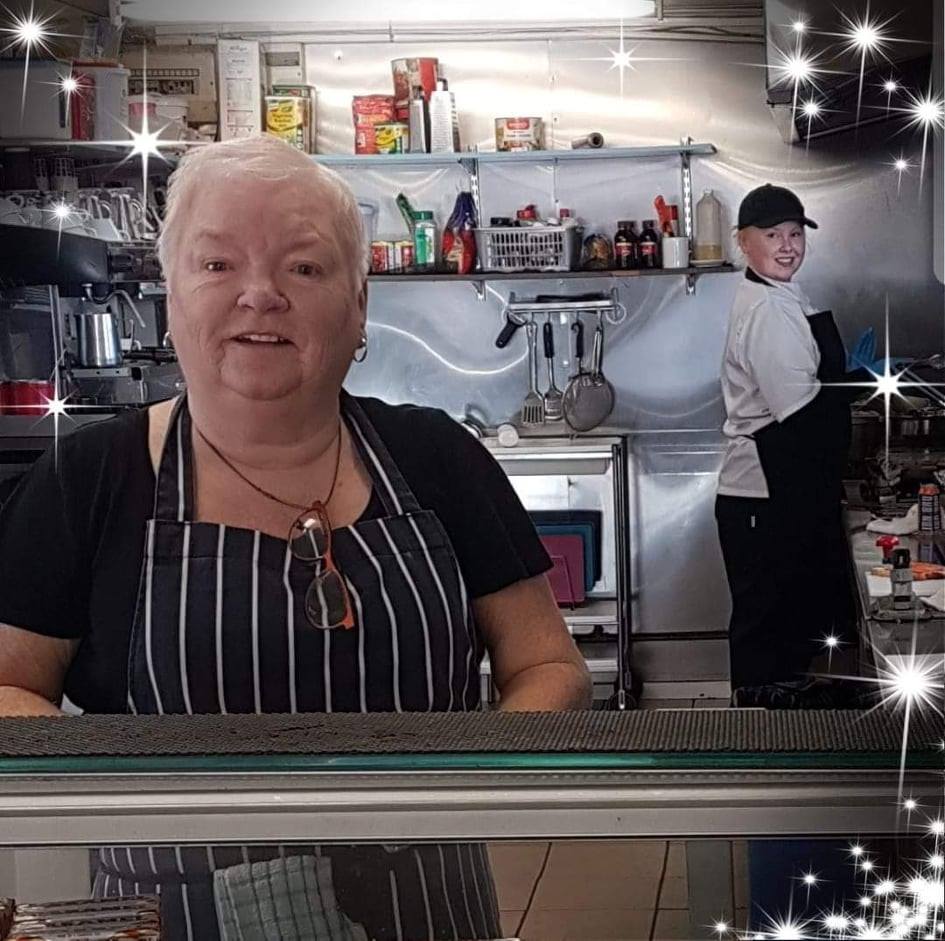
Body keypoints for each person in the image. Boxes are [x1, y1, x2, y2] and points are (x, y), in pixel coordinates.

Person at [0, 133, 592, 939]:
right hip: (183, 919)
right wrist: (129, 784)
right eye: (216, 265)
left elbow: (549, 666)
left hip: (425, 907)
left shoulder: (436, 457)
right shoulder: (89, 478)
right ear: (169, 298)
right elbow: (7, 690)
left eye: (304, 268)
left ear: (358, 307)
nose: (260, 294)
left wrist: (465, 781)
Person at [715, 183, 878, 709]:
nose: (788, 246)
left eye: (795, 234)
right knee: (768, 621)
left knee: (782, 619)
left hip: (778, 485)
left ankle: (781, 707)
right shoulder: (767, 309)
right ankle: (762, 733)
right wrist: (862, 383)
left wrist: (854, 377)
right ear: (744, 241)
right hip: (763, 489)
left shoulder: (782, 294)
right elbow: (801, 411)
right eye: (772, 235)